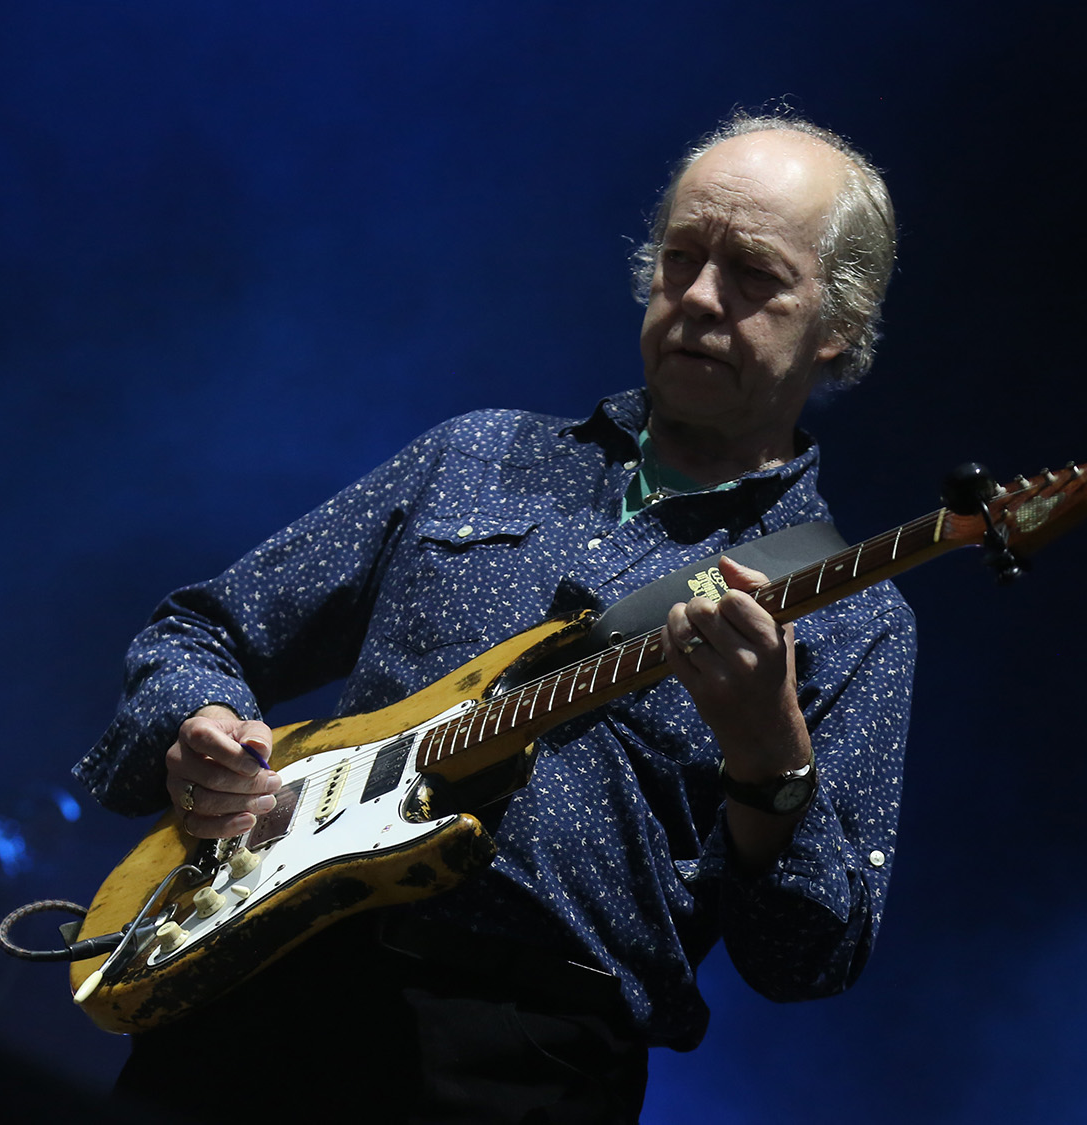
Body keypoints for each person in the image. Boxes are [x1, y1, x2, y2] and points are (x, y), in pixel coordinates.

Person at [74, 111, 916, 1123]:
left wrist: (768, 755)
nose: (698, 298)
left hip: (522, 1068)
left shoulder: (854, 614)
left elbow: (810, 954)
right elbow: (199, 631)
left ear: (840, 326)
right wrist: (199, 733)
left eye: (752, 276)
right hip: (266, 987)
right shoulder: (477, 455)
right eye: (681, 257)